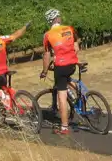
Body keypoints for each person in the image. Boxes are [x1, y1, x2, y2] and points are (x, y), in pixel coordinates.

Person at [39, 8, 80, 136]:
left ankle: (64, 127)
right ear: (57, 18)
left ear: (49, 21)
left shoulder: (47, 35)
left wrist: (44, 71)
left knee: (61, 97)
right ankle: (78, 94)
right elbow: (76, 45)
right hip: (72, 64)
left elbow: (46, 56)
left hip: (60, 66)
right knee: (67, 77)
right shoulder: (70, 29)